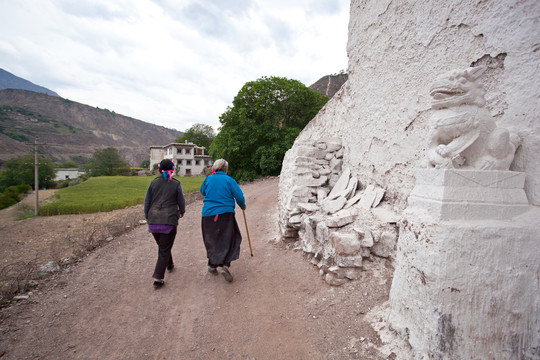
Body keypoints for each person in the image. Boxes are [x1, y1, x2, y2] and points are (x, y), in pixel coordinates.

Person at [200, 159, 246, 282]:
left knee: (211, 239)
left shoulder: (208, 179)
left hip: (208, 215)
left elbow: (202, 192)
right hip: (225, 214)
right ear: (225, 169)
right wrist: (242, 206)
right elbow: (239, 197)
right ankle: (225, 265)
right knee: (231, 238)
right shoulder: (229, 180)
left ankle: (213, 265)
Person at [144, 159, 185, 288]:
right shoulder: (175, 184)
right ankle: (158, 278)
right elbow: (181, 201)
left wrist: (147, 216)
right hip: (169, 221)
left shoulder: (153, 183)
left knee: (163, 246)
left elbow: (147, 202)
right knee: (164, 248)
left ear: (159, 169)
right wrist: (182, 212)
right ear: (172, 169)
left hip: (153, 221)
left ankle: (169, 264)